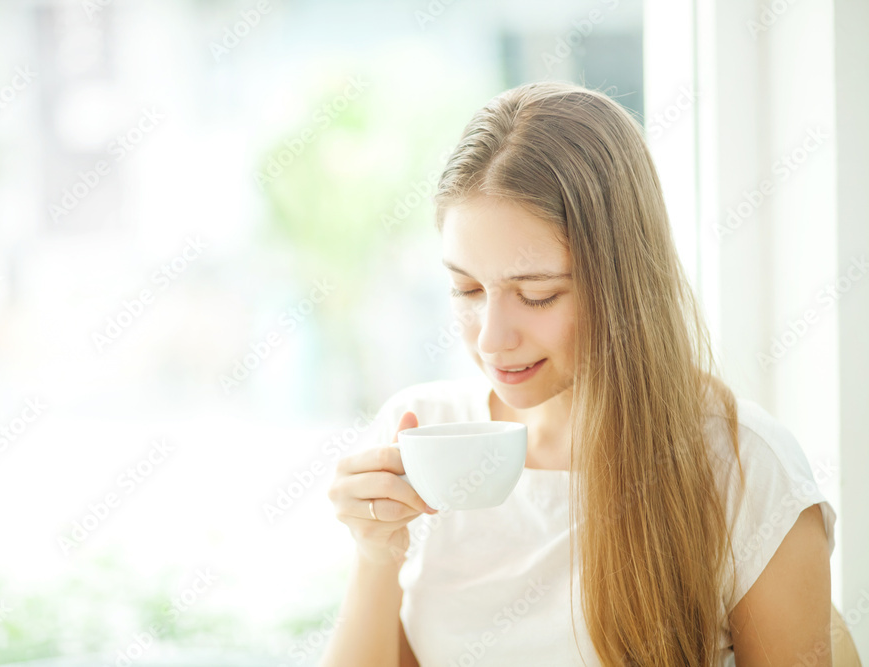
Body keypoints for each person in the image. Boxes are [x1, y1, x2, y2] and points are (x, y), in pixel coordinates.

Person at [320, 81, 836, 666]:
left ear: (623, 283)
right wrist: (373, 553)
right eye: (467, 288)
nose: (491, 338)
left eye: (537, 295)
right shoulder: (422, 439)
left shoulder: (744, 469)